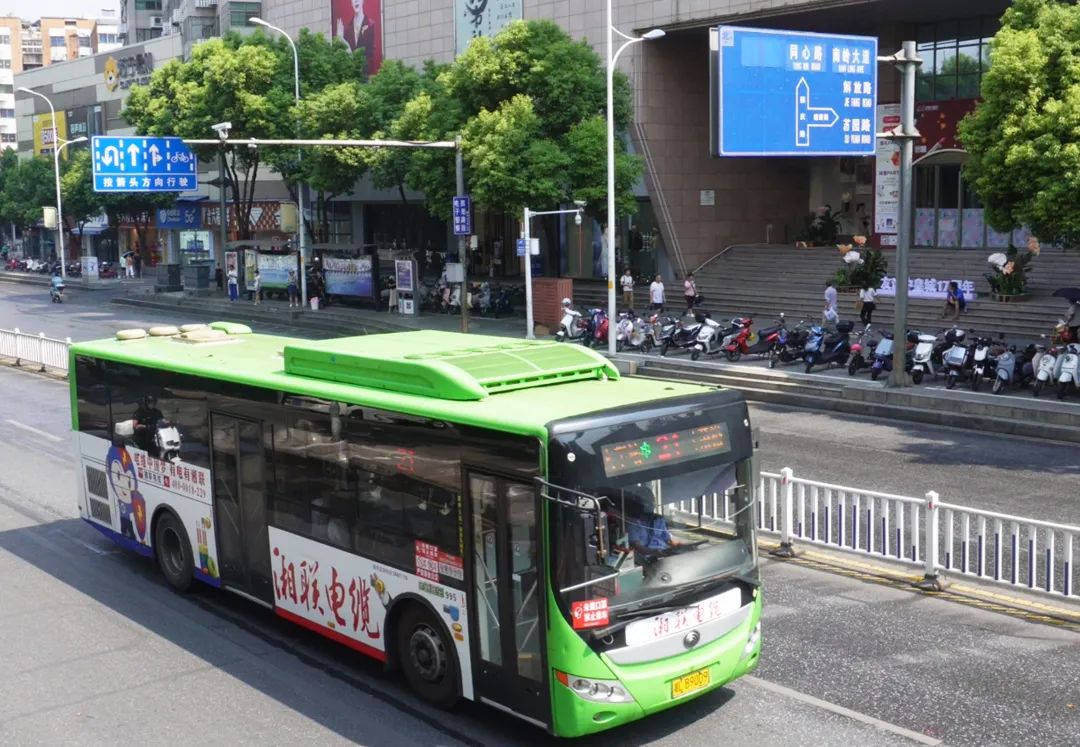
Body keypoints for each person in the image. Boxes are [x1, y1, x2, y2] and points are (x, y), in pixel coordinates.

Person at [625, 490, 679, 566]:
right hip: (646, 561)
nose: (651, 504)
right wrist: (655, 552)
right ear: (639, 503)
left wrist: (681, 546)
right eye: (647, 501)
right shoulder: (632, 523)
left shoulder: (658, 519)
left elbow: (668, 540)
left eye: (652, 501)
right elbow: (637, 547)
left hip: (664, 556)